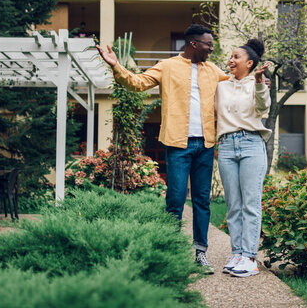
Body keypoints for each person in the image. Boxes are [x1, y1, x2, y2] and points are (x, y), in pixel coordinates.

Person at [96, 24, 228, 273]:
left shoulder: (214, 71)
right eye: (208, 44)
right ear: (193, 44)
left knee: (202, 201)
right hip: (178, 144)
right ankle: (170, 250)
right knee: (175, 199)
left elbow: (235, 87)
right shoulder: (166, 66)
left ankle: (200, 253)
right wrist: (115, 65)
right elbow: (137, 83)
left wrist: (254, 78)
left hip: (206, 144)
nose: (211, 49)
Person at [215, 38, 271, 277]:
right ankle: (237, 253)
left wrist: (259, 83)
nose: (231, 60)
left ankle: (250, 257)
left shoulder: (258, 85)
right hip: (227, 146)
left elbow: (262, 109)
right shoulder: (222, 85)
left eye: (236, 57)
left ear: (249, 63)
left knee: (250, 204)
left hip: (251, 144)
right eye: (230, 56)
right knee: (233, 206)